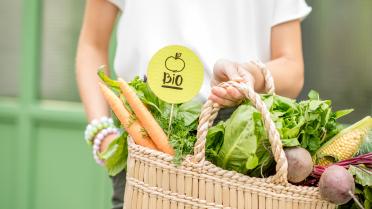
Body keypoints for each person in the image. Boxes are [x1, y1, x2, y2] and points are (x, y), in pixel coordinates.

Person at [76, 0, 311, 208]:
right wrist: (101, 133)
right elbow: (92, 45)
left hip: (237, 140)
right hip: (144, 132)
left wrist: (248, 75)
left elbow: (292, 68)